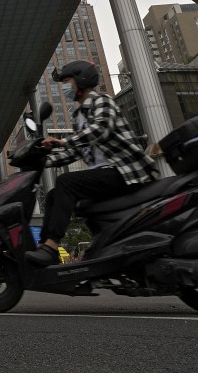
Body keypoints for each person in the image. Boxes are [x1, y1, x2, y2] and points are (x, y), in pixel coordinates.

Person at [24, 61, 159, 267]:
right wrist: (42, 161)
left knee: (66, 182)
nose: (66, 87)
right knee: (53, 194)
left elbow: (99, 130)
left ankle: (52, 246)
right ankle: (45, 246)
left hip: (124, 172)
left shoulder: (102, 102)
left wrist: (61, 141)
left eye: (68, 81)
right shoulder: (80, 115)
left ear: (81, 79)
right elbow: (76, 151)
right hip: (106, 175)